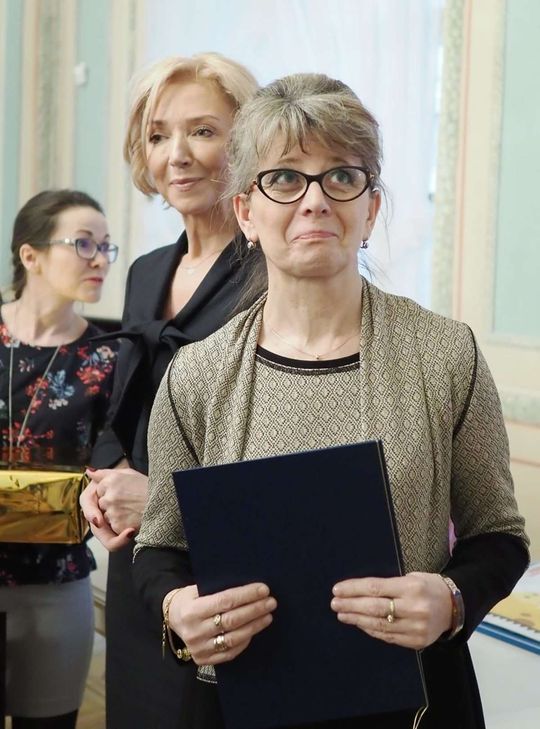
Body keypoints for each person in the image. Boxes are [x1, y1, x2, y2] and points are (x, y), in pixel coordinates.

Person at [133, 73, 529, 729]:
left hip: (416, 702)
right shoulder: (196, 374)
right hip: (241, 701)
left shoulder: (444, 353)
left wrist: (453, 598)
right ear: (246, 212)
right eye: (285, 178)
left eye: (341, 176)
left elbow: (499, 536)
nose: (315, 200)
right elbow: (159, 548)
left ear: (370, 209)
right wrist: (177, 609)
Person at [80, 53, 259, 728]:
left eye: (202, 131)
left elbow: (278, 447)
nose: (176, 154)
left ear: (247, 141)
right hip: (138, 563)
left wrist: (155, 494)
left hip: (224, 567)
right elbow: (121, 405)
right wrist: (104, 481)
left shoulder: (272, 273)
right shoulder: (147, 270)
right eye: (158, 135)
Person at [0, 189, 118, 729]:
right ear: (32, 255)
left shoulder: (110, 356)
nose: (100, 260)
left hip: (57, 584)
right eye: (84, 244)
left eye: (106, 247)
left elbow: (112, 471)